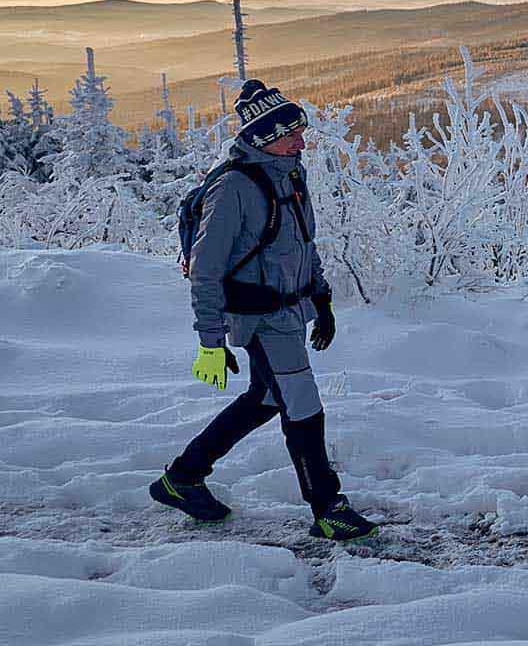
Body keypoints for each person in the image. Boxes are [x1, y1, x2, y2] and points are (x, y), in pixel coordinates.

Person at [148, 80, 376, 541]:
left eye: (301, 129)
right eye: (290, 132)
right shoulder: (233, 188)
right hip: (259, 319)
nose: (301, 139)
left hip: (288, 316)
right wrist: (210, 342)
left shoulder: (290, 175)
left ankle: (183, 477)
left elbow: (303, 244)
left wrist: (323, 300)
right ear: (261, 137)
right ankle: (327, 508)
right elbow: (206, 271)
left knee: (267, 399)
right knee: (302, 404)